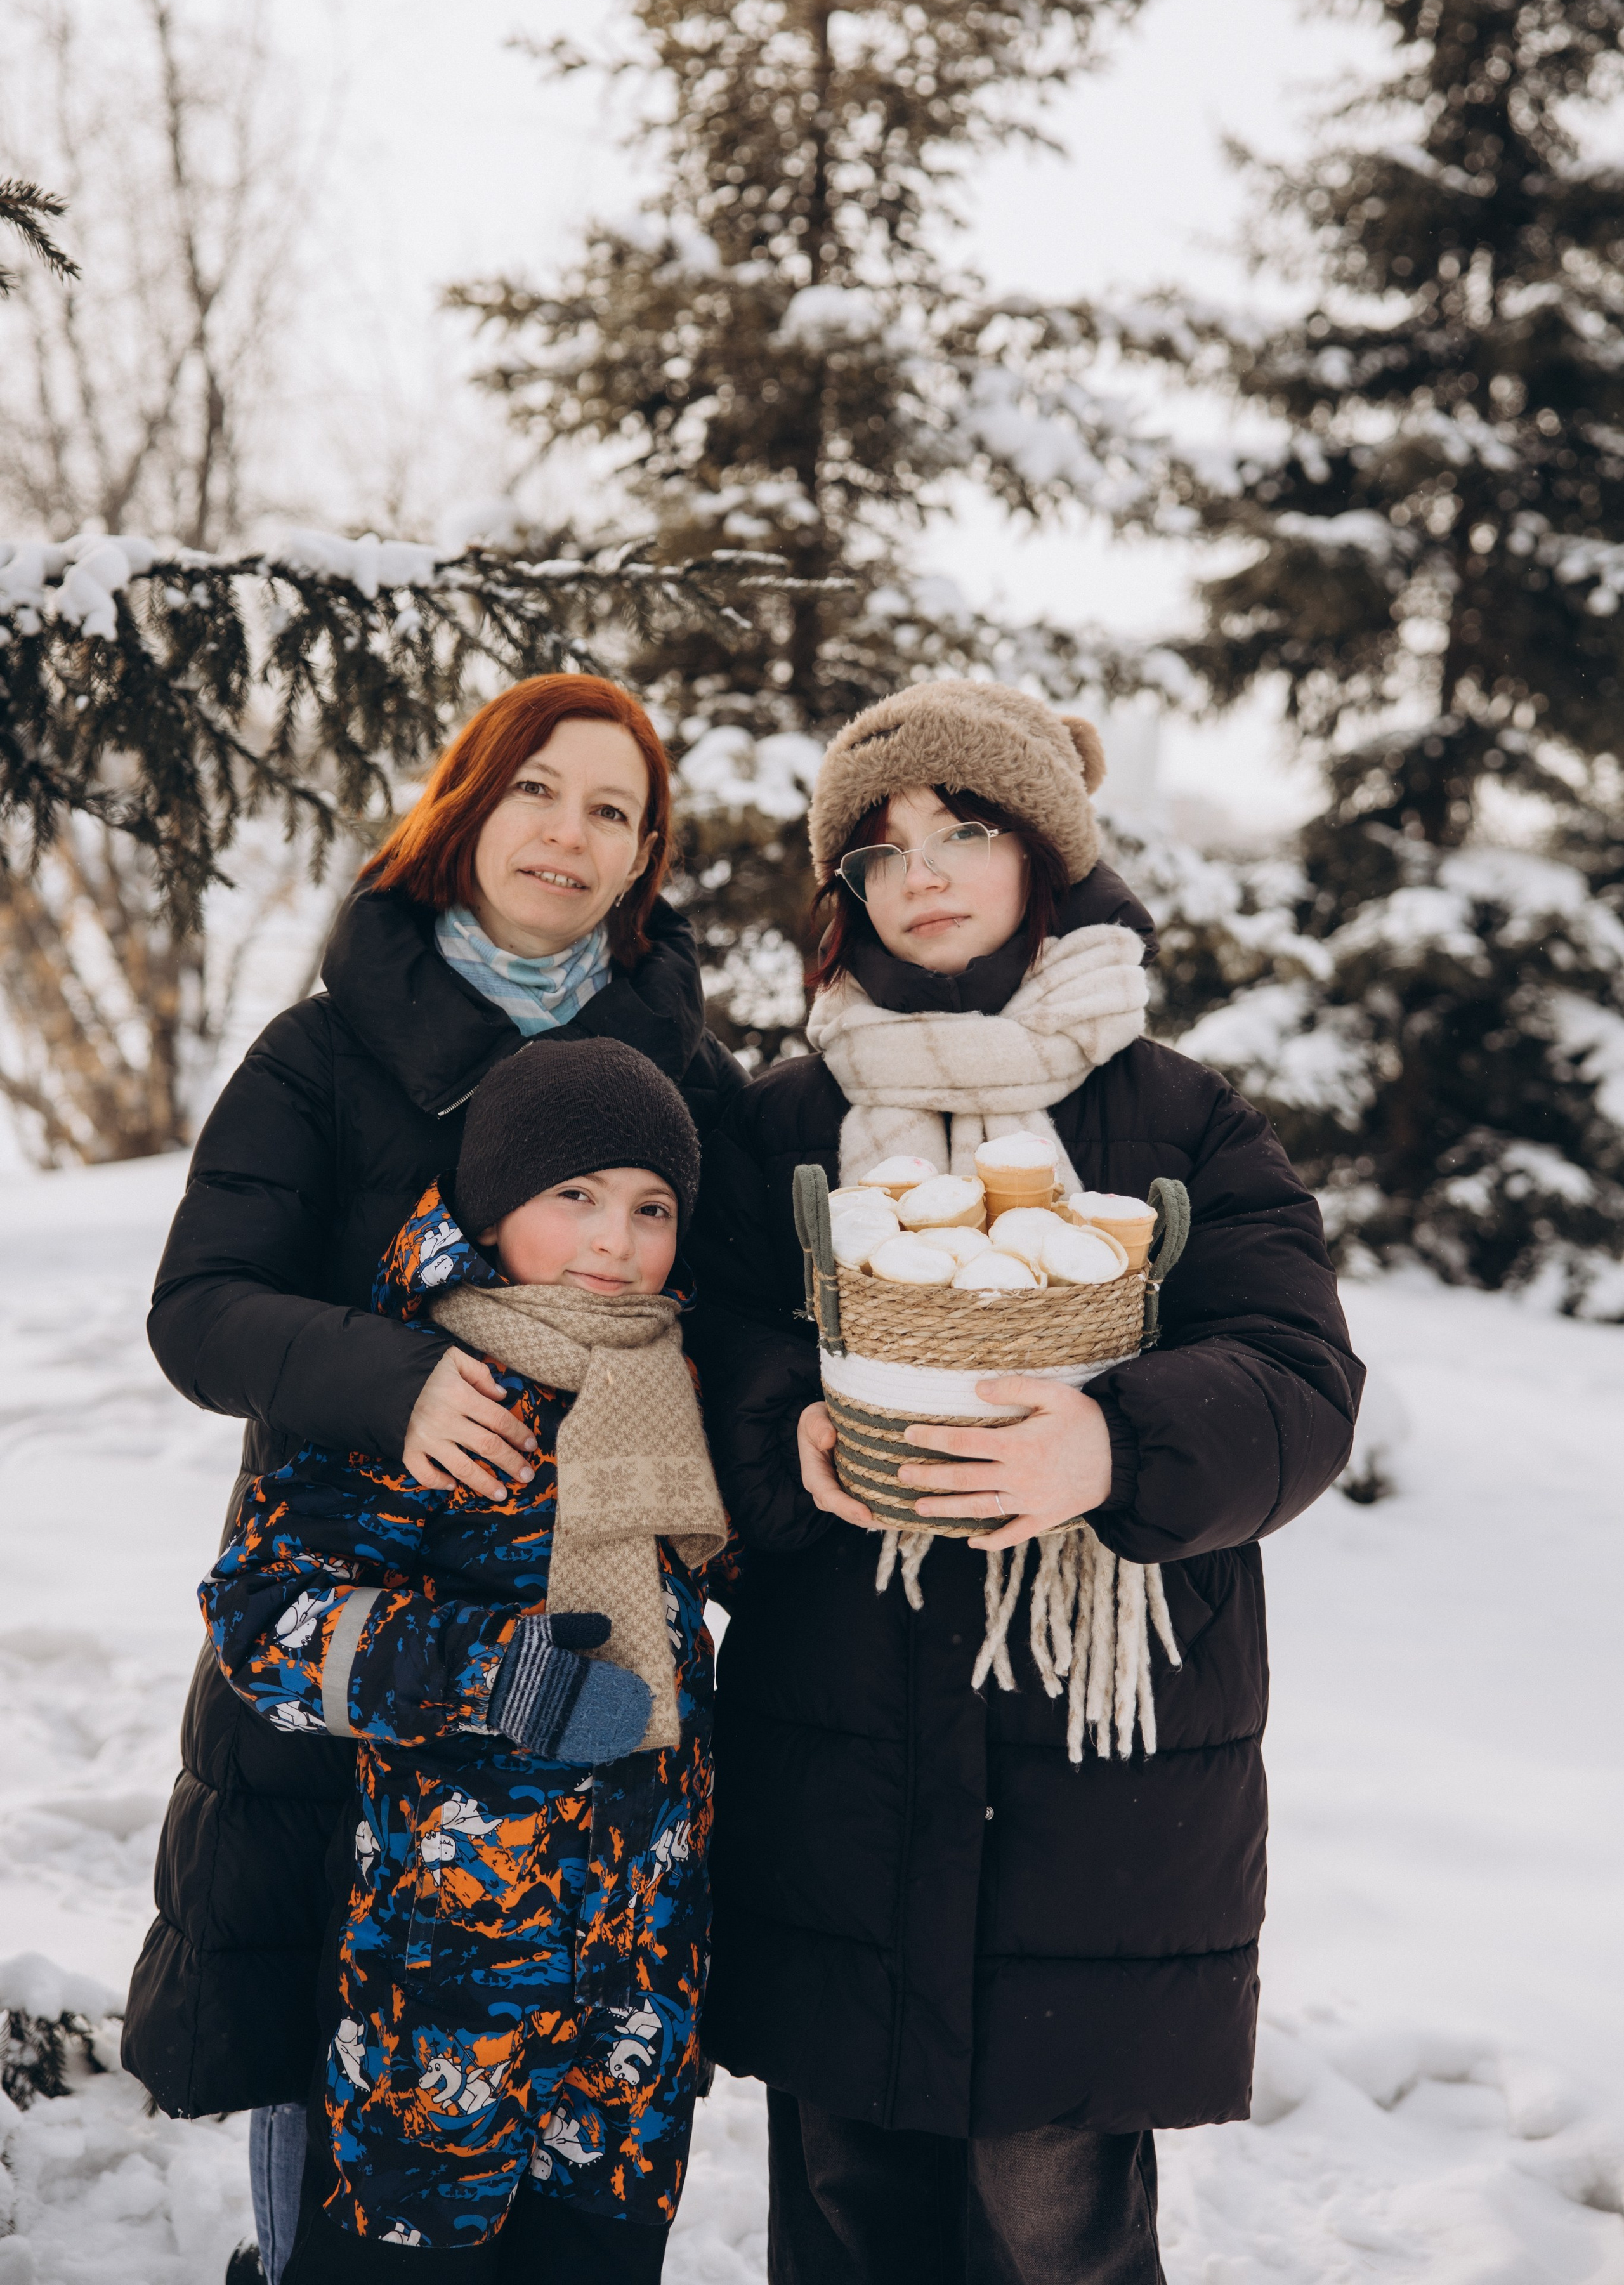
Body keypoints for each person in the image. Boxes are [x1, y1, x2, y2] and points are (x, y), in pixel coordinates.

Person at [684, 681, 1366, 2285]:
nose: (919, 870)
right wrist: (777, 1436)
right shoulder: (783, 1126)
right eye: (876, 849)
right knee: (846, 2208)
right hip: (839, 1761)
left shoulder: (1178, 1117)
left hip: (1095, 1785)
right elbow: (696, 1350)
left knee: (1049, 2227)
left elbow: (1299, 1380)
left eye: (963, 828)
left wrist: (1114, 1445)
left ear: (1043, 850)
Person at [121, 675, 745, 2284]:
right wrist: (390, 1380)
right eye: (537, 789)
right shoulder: (325, 1052)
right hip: (369, 1608)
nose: (567, 833)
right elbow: (201, 1307)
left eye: (612, 810)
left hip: (613, 1747)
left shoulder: (689, 1071)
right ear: (466, 802)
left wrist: (735, 1423)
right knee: (339, 2080)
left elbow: (746, 1326)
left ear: (644, 855)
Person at [201, 1036, 724, 2281]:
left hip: (633, 2000)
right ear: (492, 1206)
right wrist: (499, 1678)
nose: (616, 1241)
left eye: (651, 1208)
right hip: (441, 2005)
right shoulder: (428, 1386)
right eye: (575, 1195)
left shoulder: (663, 1387)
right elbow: (263, 1618)